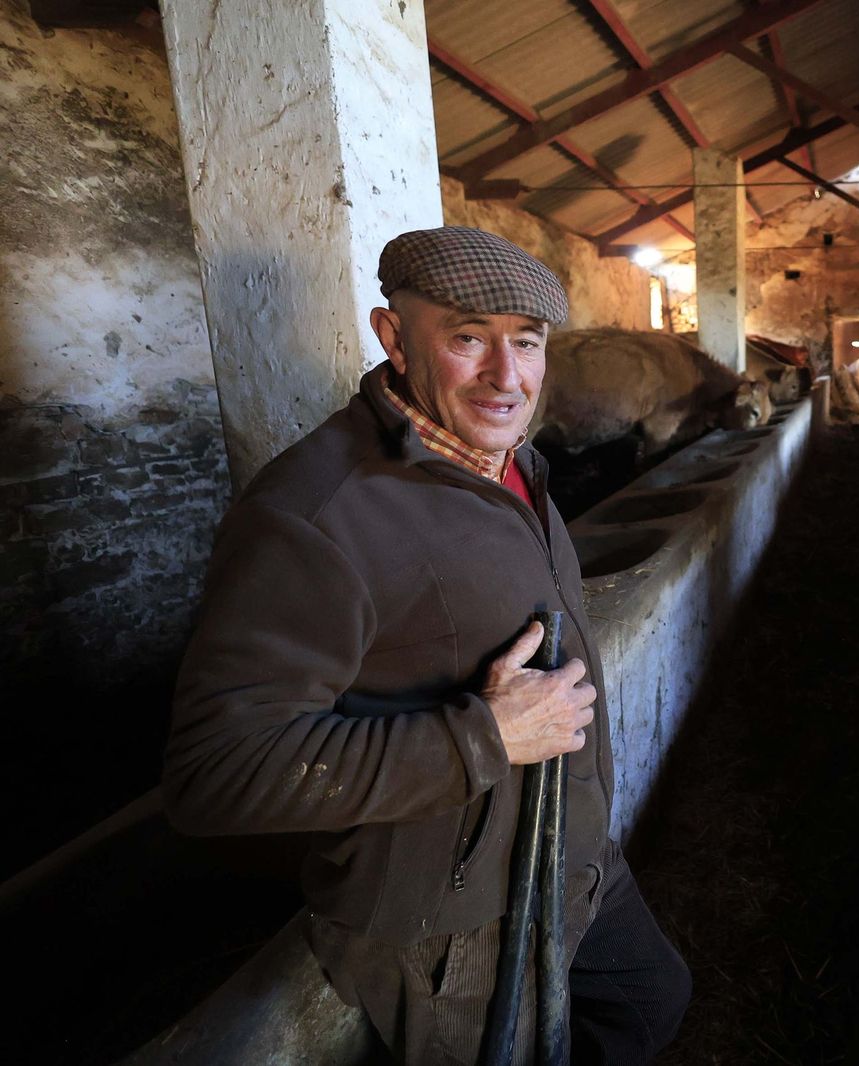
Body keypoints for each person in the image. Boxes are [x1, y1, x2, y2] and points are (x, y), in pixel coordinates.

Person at [164, 226, 690, 1065]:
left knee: (649, 998)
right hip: (450, 926)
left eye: (525, 342)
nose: (506, 376)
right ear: (393, 338)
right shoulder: (317, 514)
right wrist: (484, 735)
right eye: (467, 338)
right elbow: (215, 774)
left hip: (568, 850)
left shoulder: (515, 465)